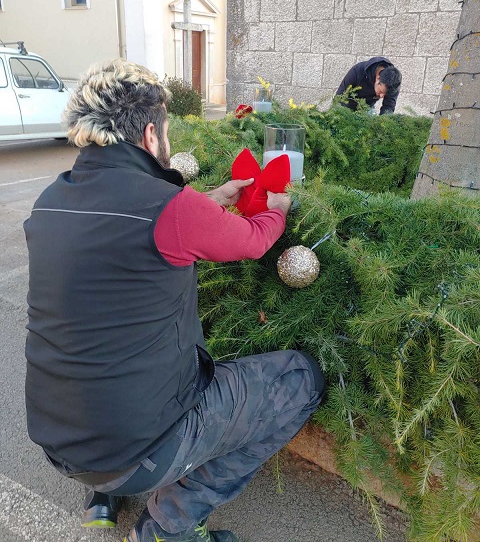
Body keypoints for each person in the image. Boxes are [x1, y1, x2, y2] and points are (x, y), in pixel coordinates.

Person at [24, 59, 326, 542]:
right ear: (149, 135)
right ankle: (168, 525)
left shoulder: (51, 202)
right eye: (166, 130)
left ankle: (103, 499)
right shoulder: (165, 206)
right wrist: (278, 211)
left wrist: (210, 198)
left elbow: (137, 229)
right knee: (301, 378)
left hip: (57, 439)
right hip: (137, 450)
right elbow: (250, 242)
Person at [335, 56, 402, 114]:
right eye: (381, 91)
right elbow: (340, 97)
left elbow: (388, 107)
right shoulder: (357, 72)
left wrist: (383, 123)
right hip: (347, 106)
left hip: (367, 108)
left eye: (385, 94)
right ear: (378, 78)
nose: (381, 96)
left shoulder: (394, 82)